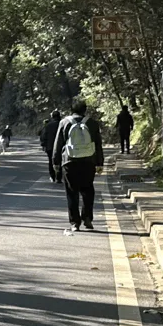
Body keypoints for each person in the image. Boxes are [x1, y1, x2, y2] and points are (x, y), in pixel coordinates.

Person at [50, 99, 104, 233]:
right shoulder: (92, 123)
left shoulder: (65, 122)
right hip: (88, 161)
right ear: (85, 110)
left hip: (69, 162)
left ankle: (75, 222)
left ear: (71, 110)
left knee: (71, 192)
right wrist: (99, 163)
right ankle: (87, 218)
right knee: (88, 190)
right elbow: (98, 144)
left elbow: (58, 144)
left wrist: (55, 162)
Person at [39, 108, 64, 183]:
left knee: (51, 161)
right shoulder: (63, 124)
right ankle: (59, 177)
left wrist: (43, 144)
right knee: (61, 161)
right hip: (61, 146)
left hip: (50, 147)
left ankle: (52, 176)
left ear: (52, 117)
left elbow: (43, 136)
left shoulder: (48, 125)